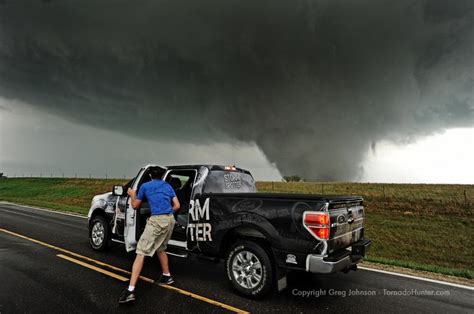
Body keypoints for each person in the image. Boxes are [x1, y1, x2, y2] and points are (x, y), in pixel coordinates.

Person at [119, 167, 180, 304]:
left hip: (157, 221)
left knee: (141, 252)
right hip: (170, 220)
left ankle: (130, 291)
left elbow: (134, 206)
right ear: (163, 175)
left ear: (151, 175)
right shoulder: (168, 186)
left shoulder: (145, 186)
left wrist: (132, 194)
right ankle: (166, 276)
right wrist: (166, 213)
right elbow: (177, 205)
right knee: (161, 248)